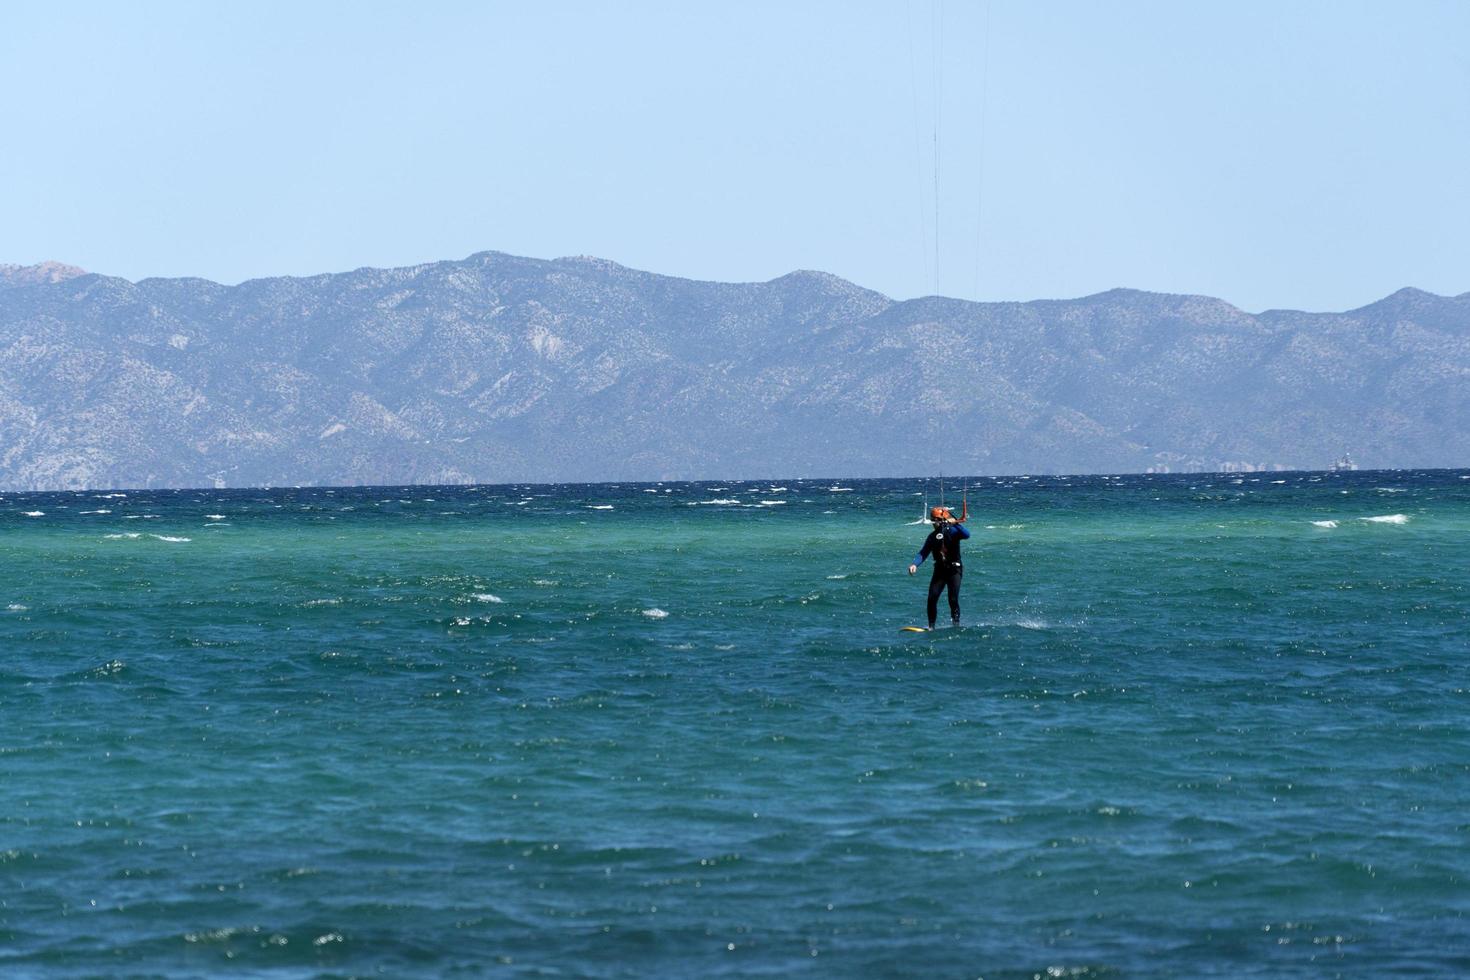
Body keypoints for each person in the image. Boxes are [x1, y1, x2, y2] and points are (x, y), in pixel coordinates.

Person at [908, 505, 970, 629]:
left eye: (936, 520)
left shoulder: (953, 531)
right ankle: (931, 627)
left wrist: (955, 523)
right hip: (940, 571)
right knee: (932, 598)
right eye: (933, 520)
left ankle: (956, 624)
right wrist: (915, 564)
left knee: (952, 599)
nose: (934, 523)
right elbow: (923, 552)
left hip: (954, 570)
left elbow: (967, 534)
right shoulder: (932, 537)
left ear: (942, 520)